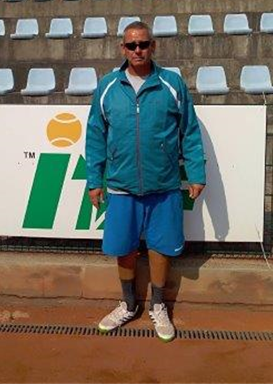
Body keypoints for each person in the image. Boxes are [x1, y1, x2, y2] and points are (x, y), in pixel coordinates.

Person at [86, 21, 206, 342]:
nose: (137, 50)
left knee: (160, 247)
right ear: (122, 48)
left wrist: (196, 172)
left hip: (163, 185)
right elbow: (95, 135)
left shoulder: (171, 83)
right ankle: (128, 304)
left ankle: (158, 305)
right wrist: (94, 180)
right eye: (131, 45)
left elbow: (189, 131)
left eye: (143, 44)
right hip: (121, 186)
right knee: (124, 248)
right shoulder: (108, 86)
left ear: (153, 46)